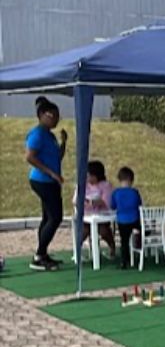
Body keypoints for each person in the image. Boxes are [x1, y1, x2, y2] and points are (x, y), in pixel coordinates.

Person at [25, 96, 68, 271]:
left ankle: (42, 254)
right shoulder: (37, 134)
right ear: (43, 115)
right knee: (56, 217)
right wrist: (51, 173)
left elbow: (57, 157)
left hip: (50, 181)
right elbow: (30, 157)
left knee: (48, 217)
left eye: (58, 116)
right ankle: (39, 255)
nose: (57, 119)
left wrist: (64, 142)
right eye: (53, 116)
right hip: (42, 180)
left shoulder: (49, 135)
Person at [73, 160, 116, 258]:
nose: (87, 177)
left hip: (101, 216)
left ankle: (112, 246)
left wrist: (92, 202)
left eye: (89, 175)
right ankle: (77, 252)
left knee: (103, 231)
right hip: (86, 217)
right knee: (83, 231)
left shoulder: (105, 185)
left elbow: (107, 202)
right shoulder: (82, 185)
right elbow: (75, 200)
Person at [111, 167, 143, 270]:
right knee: (140, 230)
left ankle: (124, 261)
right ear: (132, 180)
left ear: (119, 180)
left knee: (124, 241)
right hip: (134, 219)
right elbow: (140, 204)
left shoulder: (116, 193)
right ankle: (139, 246)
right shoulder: (135, 192)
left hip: (122, 220)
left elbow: (112, 206)